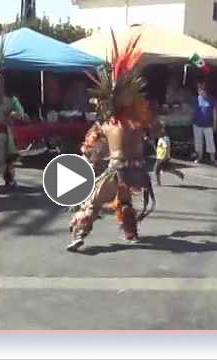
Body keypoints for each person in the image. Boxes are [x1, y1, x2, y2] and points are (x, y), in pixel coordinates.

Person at [68, 35, 157, 251]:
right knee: (124, 202)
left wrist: (88, 157)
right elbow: (92, 149)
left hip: (122, 170)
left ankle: (80, 233)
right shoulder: (123, 122)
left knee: (94, 203)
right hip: (132, 171)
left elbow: (91, 150)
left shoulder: (127, 121)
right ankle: (130, 232)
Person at [192, 82, 217, 166]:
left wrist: (215, 124)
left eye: (203, 89)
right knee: (198, 141)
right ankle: (199, 157)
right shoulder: (195, 99)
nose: (201, 91)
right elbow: (192, 110)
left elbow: (214, 112)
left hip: (208, 124)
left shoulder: (211, 99)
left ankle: (213, 159)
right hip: (197, 123)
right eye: (200, 89)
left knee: (210, 141)